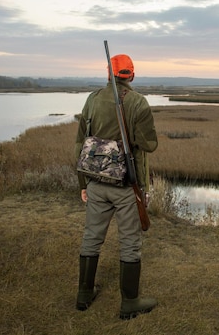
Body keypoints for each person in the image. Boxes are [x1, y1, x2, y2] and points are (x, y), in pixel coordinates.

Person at [74, 53, 158, 320]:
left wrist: (83, 183)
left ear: (109, 73)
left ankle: (84, 295)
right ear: (131, 75)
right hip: (127, 188)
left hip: (96, 182)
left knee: (91, 239)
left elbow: (80, 144)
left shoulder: (92, 99)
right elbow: (150, 144)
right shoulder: (138, 102)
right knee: (130, 243)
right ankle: (130, 303)